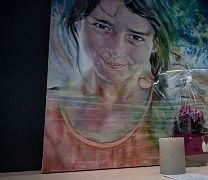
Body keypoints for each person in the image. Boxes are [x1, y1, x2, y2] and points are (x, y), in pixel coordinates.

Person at [42, 0, 176, 173]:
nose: (116, 50)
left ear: (155, 44)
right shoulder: (50, 112)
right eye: (102, 26)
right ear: (79, 22)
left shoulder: (172, 107)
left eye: (136, 37)